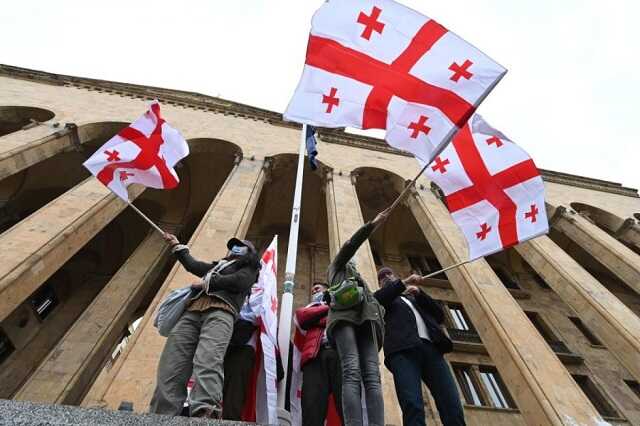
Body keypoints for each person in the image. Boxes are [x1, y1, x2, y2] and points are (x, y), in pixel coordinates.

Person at [150, 233, 261, 419]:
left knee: (208, 359)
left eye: (241, 247)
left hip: (221, 312)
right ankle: (162, 414)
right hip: (191, 312)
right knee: (173, 362)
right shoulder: (217, 266)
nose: (235, 249)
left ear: (250, 253)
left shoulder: (250, 268)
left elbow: (240, 281)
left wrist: (207, 283)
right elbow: (194, 265)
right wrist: (178, 246)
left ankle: (205, 410)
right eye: (233, 246)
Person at [375, 267, 465, 426]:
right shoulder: (382, 299)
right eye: (382, 277)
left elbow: (439, 315)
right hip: (402, 352)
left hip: (432, 350)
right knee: (412, 403)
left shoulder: (414, 298)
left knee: (451, 403)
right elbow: (379, 299)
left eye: (390, 273)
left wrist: (420, 293)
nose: (387, 277)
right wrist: (404, 283)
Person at [325, 209, 391, 426]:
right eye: (349, 258)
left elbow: (376, 306)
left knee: (373, 377)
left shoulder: (361, 279)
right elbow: (350, 246)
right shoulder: (336, 268)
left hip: (367, 323)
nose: (352, 261)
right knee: (351, 371)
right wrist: (372, 225)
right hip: (344, 320)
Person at [295, 282, 343, 426]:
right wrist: (330, 308)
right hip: (314, 356)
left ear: (328, 290)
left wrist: (317, 319)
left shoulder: (340, 301)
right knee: (312, 405)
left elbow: (343, 319)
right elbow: (302, 317)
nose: (314, 289)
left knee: (346, 402)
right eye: (312, 288)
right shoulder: (312, 306)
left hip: (340, 354)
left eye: (318, 287)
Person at [222, 299, 259, 420]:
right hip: (224, 341)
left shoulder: (264, 289)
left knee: (234, 392)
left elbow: (259, 315)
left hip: (244, 346)